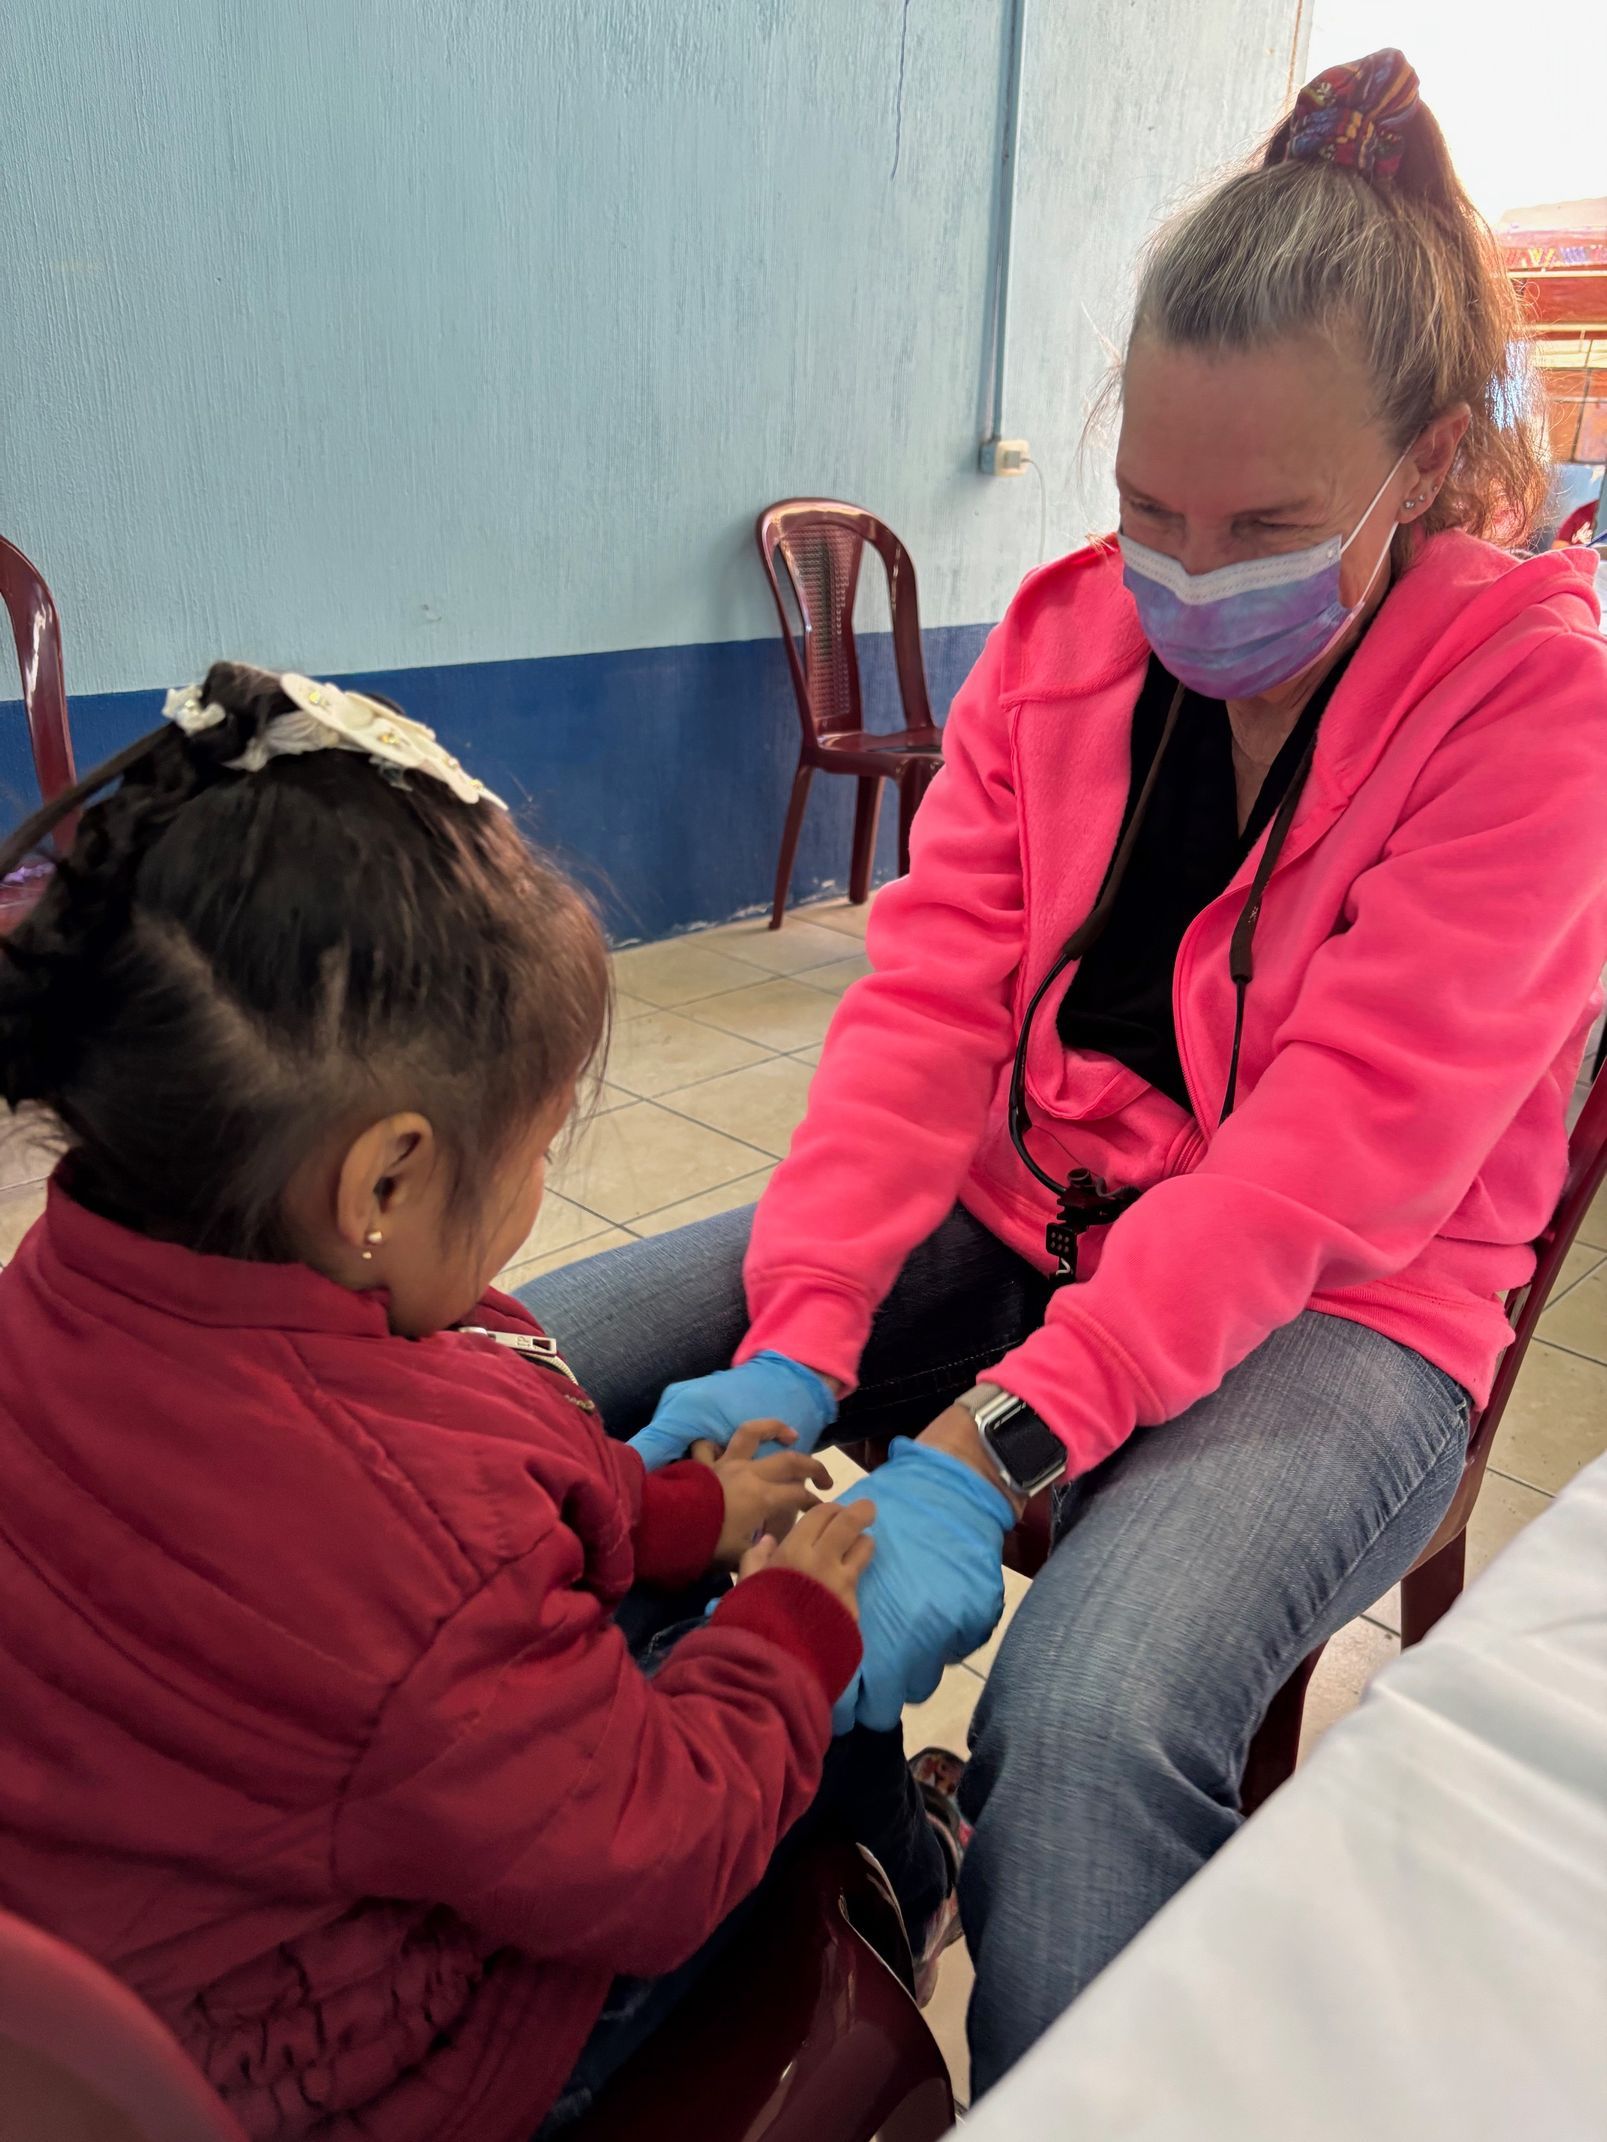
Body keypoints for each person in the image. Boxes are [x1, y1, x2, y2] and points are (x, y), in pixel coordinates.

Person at [522, 49, 1607, 2093]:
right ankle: (783, 1863)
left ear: (1421, 474)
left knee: (1097, 1720)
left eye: (1269, 525)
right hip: (1034, 1213)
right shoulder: (1063, 642)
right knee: (517, 1383)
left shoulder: (1537, 710)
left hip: (1349, 1308)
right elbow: (928, 1009)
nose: (1190, 574)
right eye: (1148, 513)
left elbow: (1328, 1169)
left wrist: (992, 1450)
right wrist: (805, 1337)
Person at [0, 662, 962, 2142]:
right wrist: (784, 1632)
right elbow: (650, 1847)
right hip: (393, 2054)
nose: (533, 1194)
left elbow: (480, 1438)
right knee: (811, 1676)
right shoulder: (414, 1549)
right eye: (536, 1146)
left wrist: (678, 1509)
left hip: (162, 1964)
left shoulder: (70, 1287)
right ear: (383, 1178)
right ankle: (917, 1863)